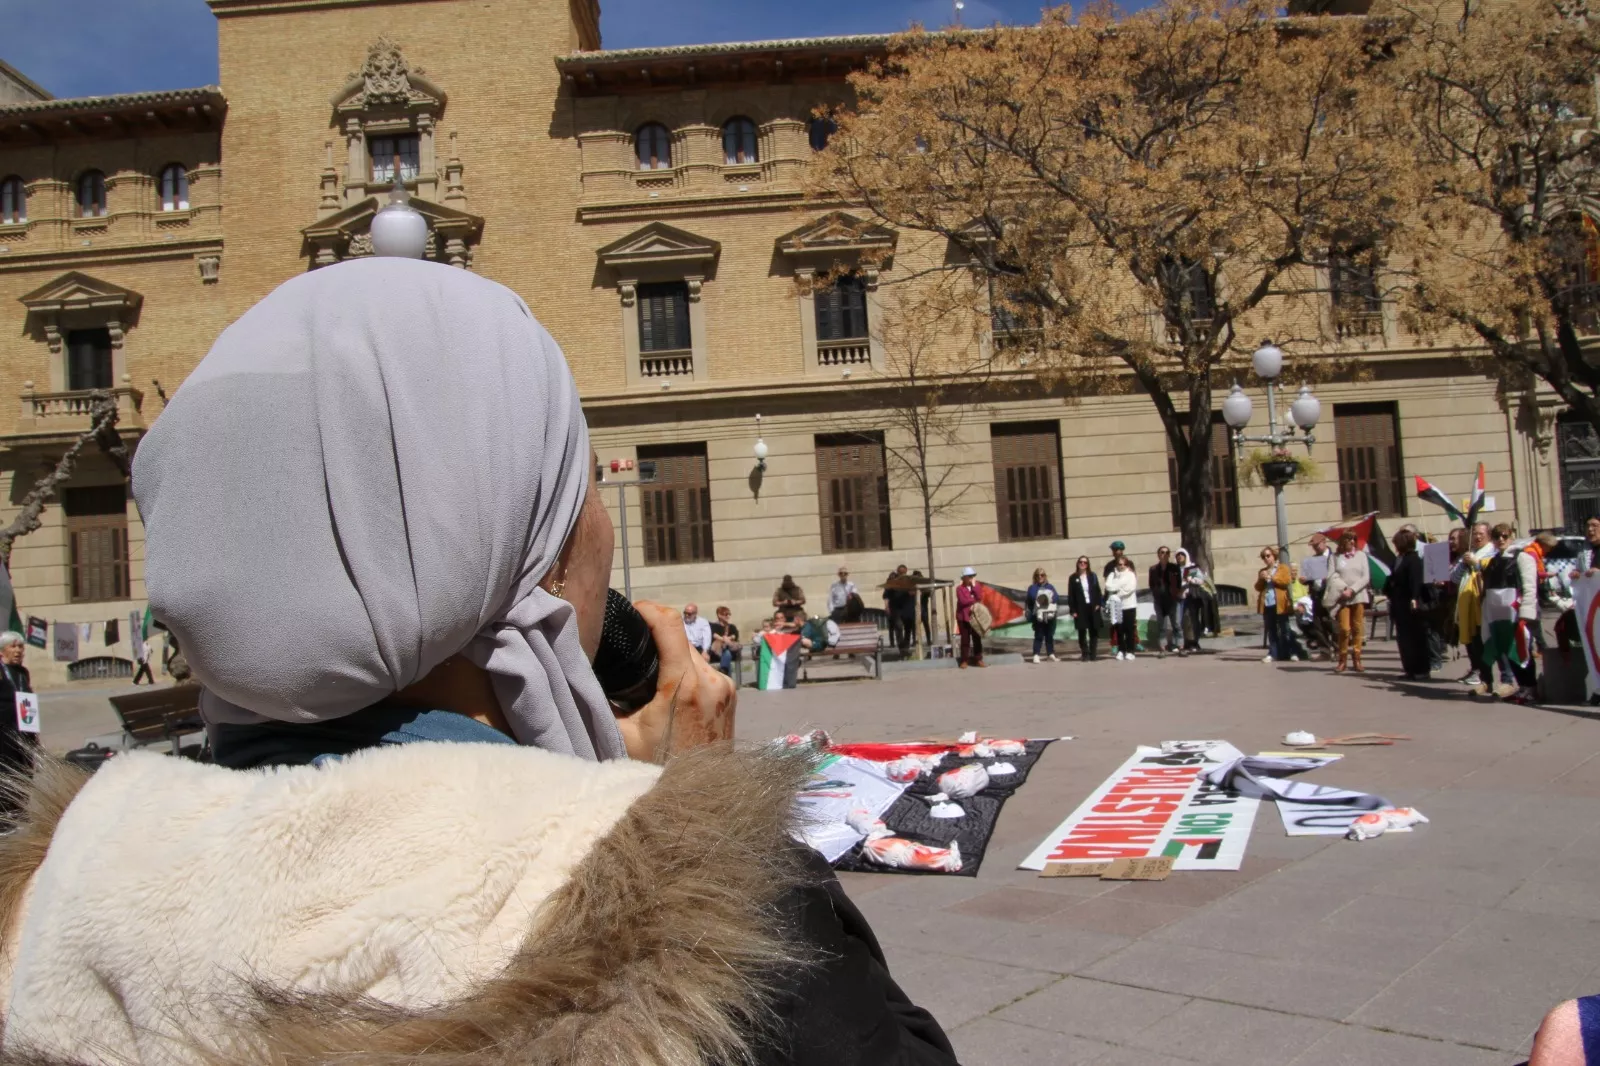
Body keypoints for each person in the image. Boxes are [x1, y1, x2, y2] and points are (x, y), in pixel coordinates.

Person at [0, 261, 957, 1065]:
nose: (600, 533)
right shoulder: (688, 930)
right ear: (510, 545)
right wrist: (702, 836)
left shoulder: (57, 892)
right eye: (572, 486)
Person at [1482, 521, 1541, 704]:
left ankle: (1530, 687)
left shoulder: (1522, 557)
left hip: (1518, 612)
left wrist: (1526, 611)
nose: (1501, 540)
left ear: (1511, 537)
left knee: (1522, 649)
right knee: (1508, 649)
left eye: (1504, 536)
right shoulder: (1493, 561)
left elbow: (1530, 585)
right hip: (1500, 614)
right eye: (1497, 536)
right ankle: (1522, 687)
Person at [0, 632, 36, 822]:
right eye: (13, 646)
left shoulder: (23, 673)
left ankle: (19, 816)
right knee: (6, 777)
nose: (18, 651)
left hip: (24, 733)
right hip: (4, 735)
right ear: (2, 651)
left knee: (23, 776)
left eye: (21, 647)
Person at [1326, 529, 1372, 673]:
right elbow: (1331, 577)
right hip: (1342, 597)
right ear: (1343, 541)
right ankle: (1342, 659)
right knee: (1345, 629)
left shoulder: (1361, 555)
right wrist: (1344, 589)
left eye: (1354, 539)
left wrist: (1352, 589)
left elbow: (1366, 577)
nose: (1352, 542)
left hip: (1358, 595)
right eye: (1349, 539)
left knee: (1358, 628)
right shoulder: (1335, 557)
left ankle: (1357, 659)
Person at [1389, 528, 1432, 680]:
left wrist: (1415, 597)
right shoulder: (1398, 559)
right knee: (1404, 638)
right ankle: (1409, 668)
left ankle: (1422, 669)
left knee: (1416, 637)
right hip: (1398, 603)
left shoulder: (1413, 559)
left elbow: (1416, 581)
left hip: (1410, 603)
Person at [1256, 546, 1295, 663]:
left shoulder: (1282, 568)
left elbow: (1285, 581)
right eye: (1264, 557)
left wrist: (1271, 577)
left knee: (1285, 629)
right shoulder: (1262, 571)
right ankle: (1273, 653)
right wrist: (1261, 579)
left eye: (1268, 556)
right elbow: (1258, 588)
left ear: (1274, 556)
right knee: (1271, 630)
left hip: (1280, 603)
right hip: (1267, 603)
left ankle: (1291, 652)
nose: (1266, 559)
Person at [1303, 533, 1337, 659]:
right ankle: (1325, 651)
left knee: (1332, 623)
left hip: (1330, 593)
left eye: (1317, 545)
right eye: (1313, 546)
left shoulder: (1333, 557)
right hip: (1316, 593)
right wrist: (1304, 579)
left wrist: (1327, 579)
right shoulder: (1312, 559)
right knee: (1318, 624)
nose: (1315, 548)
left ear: (1324, 542)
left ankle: (1339, 650)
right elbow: (1309, 576)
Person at [1147, 546, 1183, 658]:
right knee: (1161, 626)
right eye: (1162, 552)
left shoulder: (1174, 568)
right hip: (1159, 601)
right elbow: (1151, 584)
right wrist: (1156, 593)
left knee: (1176, 624)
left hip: (1172, 600)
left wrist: (1176, 593)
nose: (1165, 554)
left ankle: (1180, 647)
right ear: (1158, 554)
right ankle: (1163, 649)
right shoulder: (1153, 569)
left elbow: (1179, 583)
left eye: (1167, 552)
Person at [1067, 556, 1104, 661]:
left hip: (1092, 606)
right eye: (1081, 562)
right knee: (1082, 631)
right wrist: (1073, 610)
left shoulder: (1092, 576)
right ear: (1077, 563)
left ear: (1088, 565)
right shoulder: (1073, 578)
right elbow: (1071, 595)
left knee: (1094, 631)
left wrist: (1098, 603)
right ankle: (1085, 653)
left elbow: (1098, 591)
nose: (1083, 564)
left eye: (1085, 562)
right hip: (1080, 607)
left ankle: (1093, 653)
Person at [1105, 556, 1140, 661]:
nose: (1122, 566)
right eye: (1120, 564)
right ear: (1117, 565)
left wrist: (1117, 593)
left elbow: (1130, 588)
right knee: (1119, 630)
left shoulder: (1130, 575)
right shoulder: (1112, 574)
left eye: (1124, 564)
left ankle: (1130, 651)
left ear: (1127, 565)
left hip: (1129, 605)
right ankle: (1121, 650)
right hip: (1117, 606)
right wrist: (1117, 589)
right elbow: (1108, 586)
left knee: (1129, 629)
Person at [1175, 549, 1209, 654]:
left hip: (1191, 597)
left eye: (1182, 554)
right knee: (1179, 621)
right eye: (1178, 555)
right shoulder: (1175, 569)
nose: (1180, 556)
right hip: (1179, 597)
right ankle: (1183, 643)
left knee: (1192, 620)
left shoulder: (1191, 568)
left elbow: (1201, 580)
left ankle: (1194, 642)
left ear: (1186, 556)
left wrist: (1190, 580)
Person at [1024, 567, 1060, 664]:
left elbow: (1056, 597)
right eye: (1038, 575)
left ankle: (1050, 654)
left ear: (1045, 576)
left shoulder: (1050, 586)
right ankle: (1036, 654)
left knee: (1050, 635)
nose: (1040, 577)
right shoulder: (1032, 587)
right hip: (1038, 615)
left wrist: (1049, 597)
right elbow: (1032, 597)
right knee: (1039, 635)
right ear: (1035, 577)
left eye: (1042, 575)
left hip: (1049, 615)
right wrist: (1044, 596)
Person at [955, 566, 986, 669]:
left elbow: (980, 597)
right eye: (969, 576)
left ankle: (978, 659)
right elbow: (963, 601)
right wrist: (973, 599)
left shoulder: (976, 586)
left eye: (972, 576)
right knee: (965, 640)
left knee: (977, 639)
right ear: (964, 577)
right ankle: (964, 660)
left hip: (974, 617)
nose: (971, 578)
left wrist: (974, 588)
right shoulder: (959, 589)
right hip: (963, 617)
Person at [1103, 540, 1130, 654]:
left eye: (1119, 550)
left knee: (1130, 622)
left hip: (1126, 595)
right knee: (1114, 621)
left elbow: (1131, 578)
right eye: (1114, 550)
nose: (1117, 552)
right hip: (1113, 595)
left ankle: (1133, 643)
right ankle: (1115, 644)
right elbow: (1107, 582)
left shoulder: (1129, 563)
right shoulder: (1109, 565)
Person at [883, 565, 917, 657]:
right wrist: (887, 606)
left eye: (903, 573)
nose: (902, 574)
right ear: (897, 572)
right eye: (900, 573)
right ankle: (901, 648)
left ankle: (906, 648)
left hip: (907, 609)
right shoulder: (893, 582)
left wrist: (913, 593)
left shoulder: (910, 581)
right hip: (896, 609)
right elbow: (886, 594)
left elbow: (915, 593)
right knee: (898, 627)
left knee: (908, 628)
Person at [708, 605, 741, 678]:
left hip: (731, 650)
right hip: (717, 652)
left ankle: (723, 673)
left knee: (727, 653)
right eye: (726, 614)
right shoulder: (713, 626)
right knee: (727, 654)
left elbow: (735, 635)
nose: (728, 616)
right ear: (719, 615)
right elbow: (714, 635)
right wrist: (724, 639)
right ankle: (726, 676)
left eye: (729, 614)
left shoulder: (732, 626)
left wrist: (728, 638)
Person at [912, 569, 933, 646]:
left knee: (926, 624)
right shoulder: (912, 586)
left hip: (924, 608)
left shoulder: (924, 586)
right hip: (915, 608)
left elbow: (929, 594)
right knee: (915, 626)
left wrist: (924, 591)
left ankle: (928, 640)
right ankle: (915, 641)